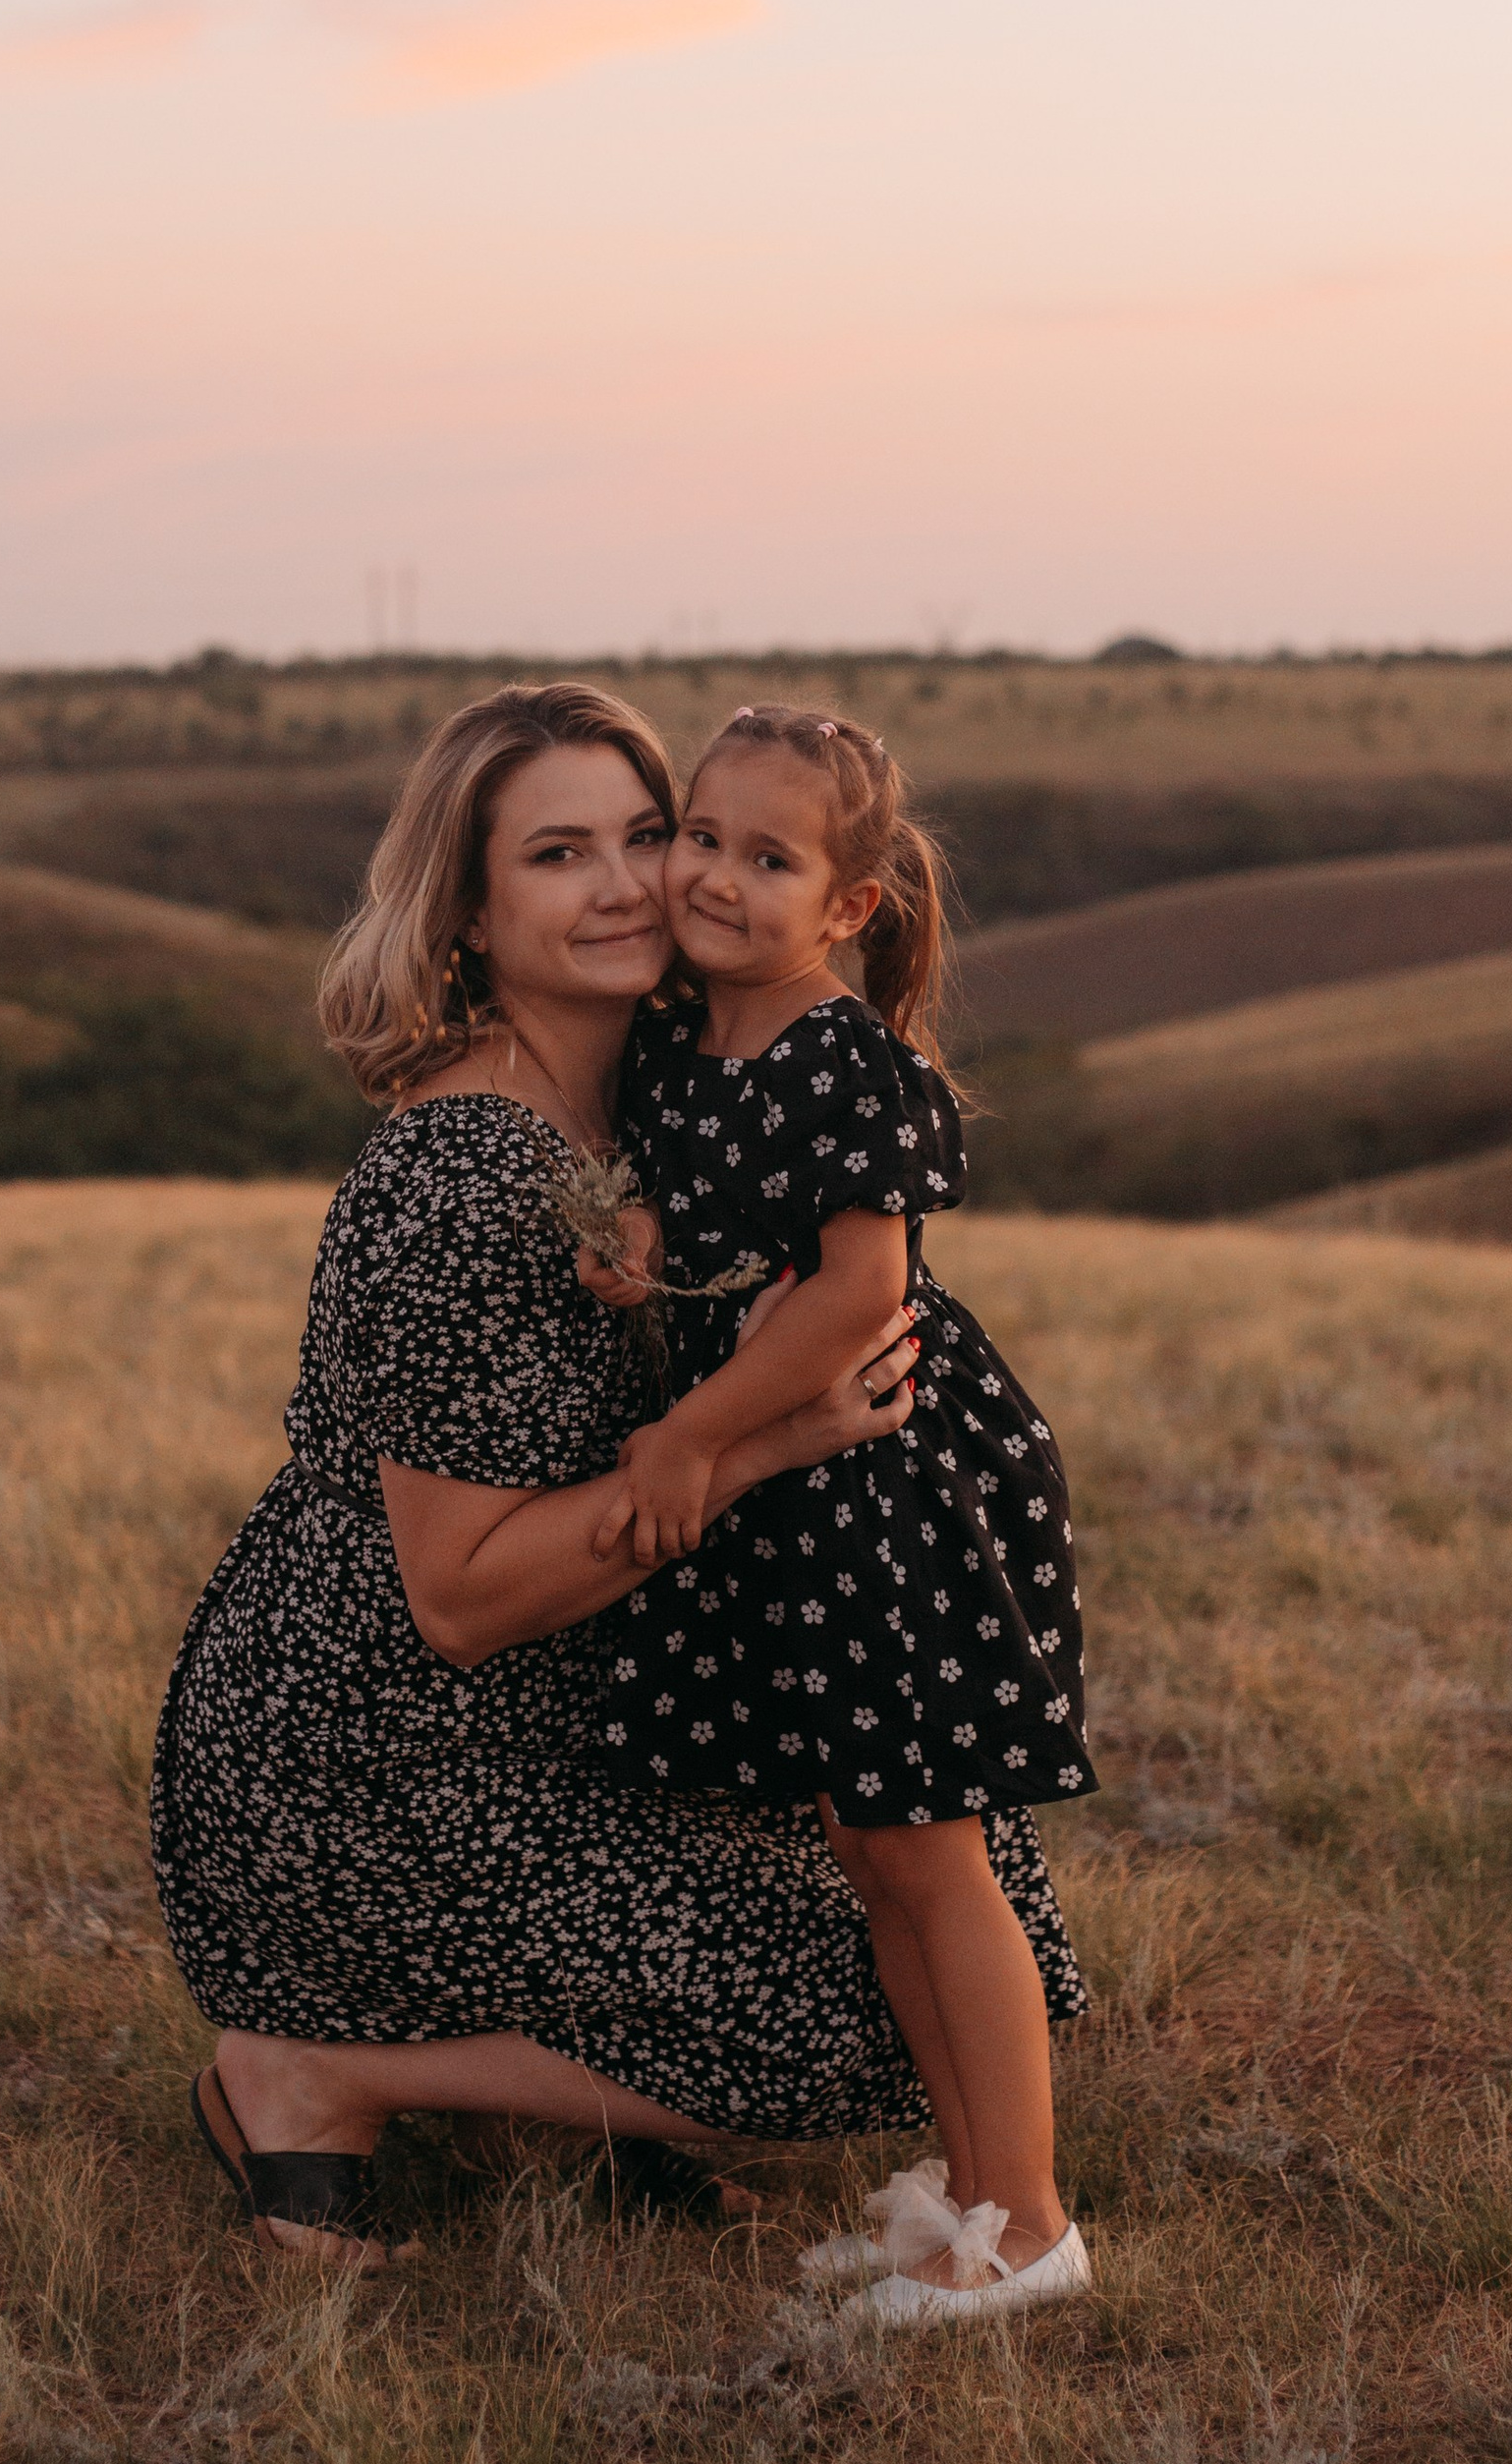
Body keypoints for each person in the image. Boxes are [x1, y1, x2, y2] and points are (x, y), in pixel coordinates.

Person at [150, 680, 1004, 2262]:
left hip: (590, 1700)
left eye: (647, 833)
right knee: (853, 2025)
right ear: (468, 914)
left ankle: (571, 2097)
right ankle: (308, 2075)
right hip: (383, 1753)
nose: (630, 886)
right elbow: (461, 1605)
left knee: (957, 1911)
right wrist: (770, 1442)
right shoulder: (461, 1184)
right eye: (557, 854)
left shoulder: (674, 1089)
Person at [589, 702, 1094, 2324]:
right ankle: (961, 2195)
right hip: (798, 1497)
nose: (713, 878)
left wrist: (685, 1436)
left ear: (848, 906)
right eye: (700, 837)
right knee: (873, 1857)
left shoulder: (846, 1061)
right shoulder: (682, 1041)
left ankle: (1029, 2224)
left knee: (939, 1861)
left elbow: (857, 1291)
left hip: (883, 1483)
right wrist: (643, 1239)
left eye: (768, 856)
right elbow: (702, 1208)